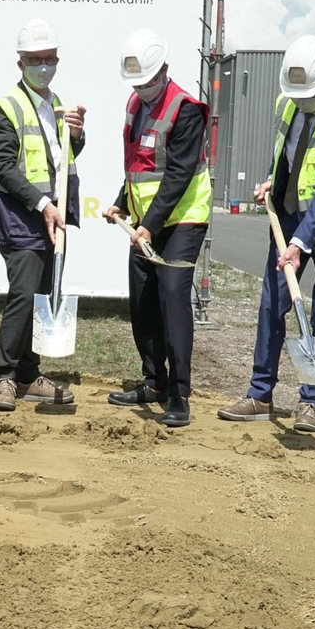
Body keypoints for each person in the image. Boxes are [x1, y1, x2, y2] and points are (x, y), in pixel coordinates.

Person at [217, 35, 315, 434]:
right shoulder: (287, 102)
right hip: (286, 216)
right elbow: (289, 153)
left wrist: (301, 242)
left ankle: (311, 401)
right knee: (273, 305)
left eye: (310, 93)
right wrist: (272, 180)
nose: (302, 100)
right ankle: (260, 394)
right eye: (298, 93)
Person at [102, 29, 210, 428]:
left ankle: (179, 393)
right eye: (137, 82)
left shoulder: (185, 108)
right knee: (143, 300)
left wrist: (148, 224)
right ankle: (153, 381)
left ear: (164, 70)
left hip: (182, 219)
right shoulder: (136, 103)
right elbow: (141, 165)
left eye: (149, 81)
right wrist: (123, 200)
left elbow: (179, 175)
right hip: (145, 223)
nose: (143, 89)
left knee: (171, 297)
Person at [0, 18, 83, 412]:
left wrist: (77, 133)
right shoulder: (4, 108)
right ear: (20, 62)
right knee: (23, 296)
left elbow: (59, 157)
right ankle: (5, 376)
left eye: (49, 58)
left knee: (42, 296)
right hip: (21, 218)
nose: (44, 65)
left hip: (52, 217)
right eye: (35, 59)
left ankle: (28, 373)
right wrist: (43, 205)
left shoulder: (55, 104)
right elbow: (4, 168)